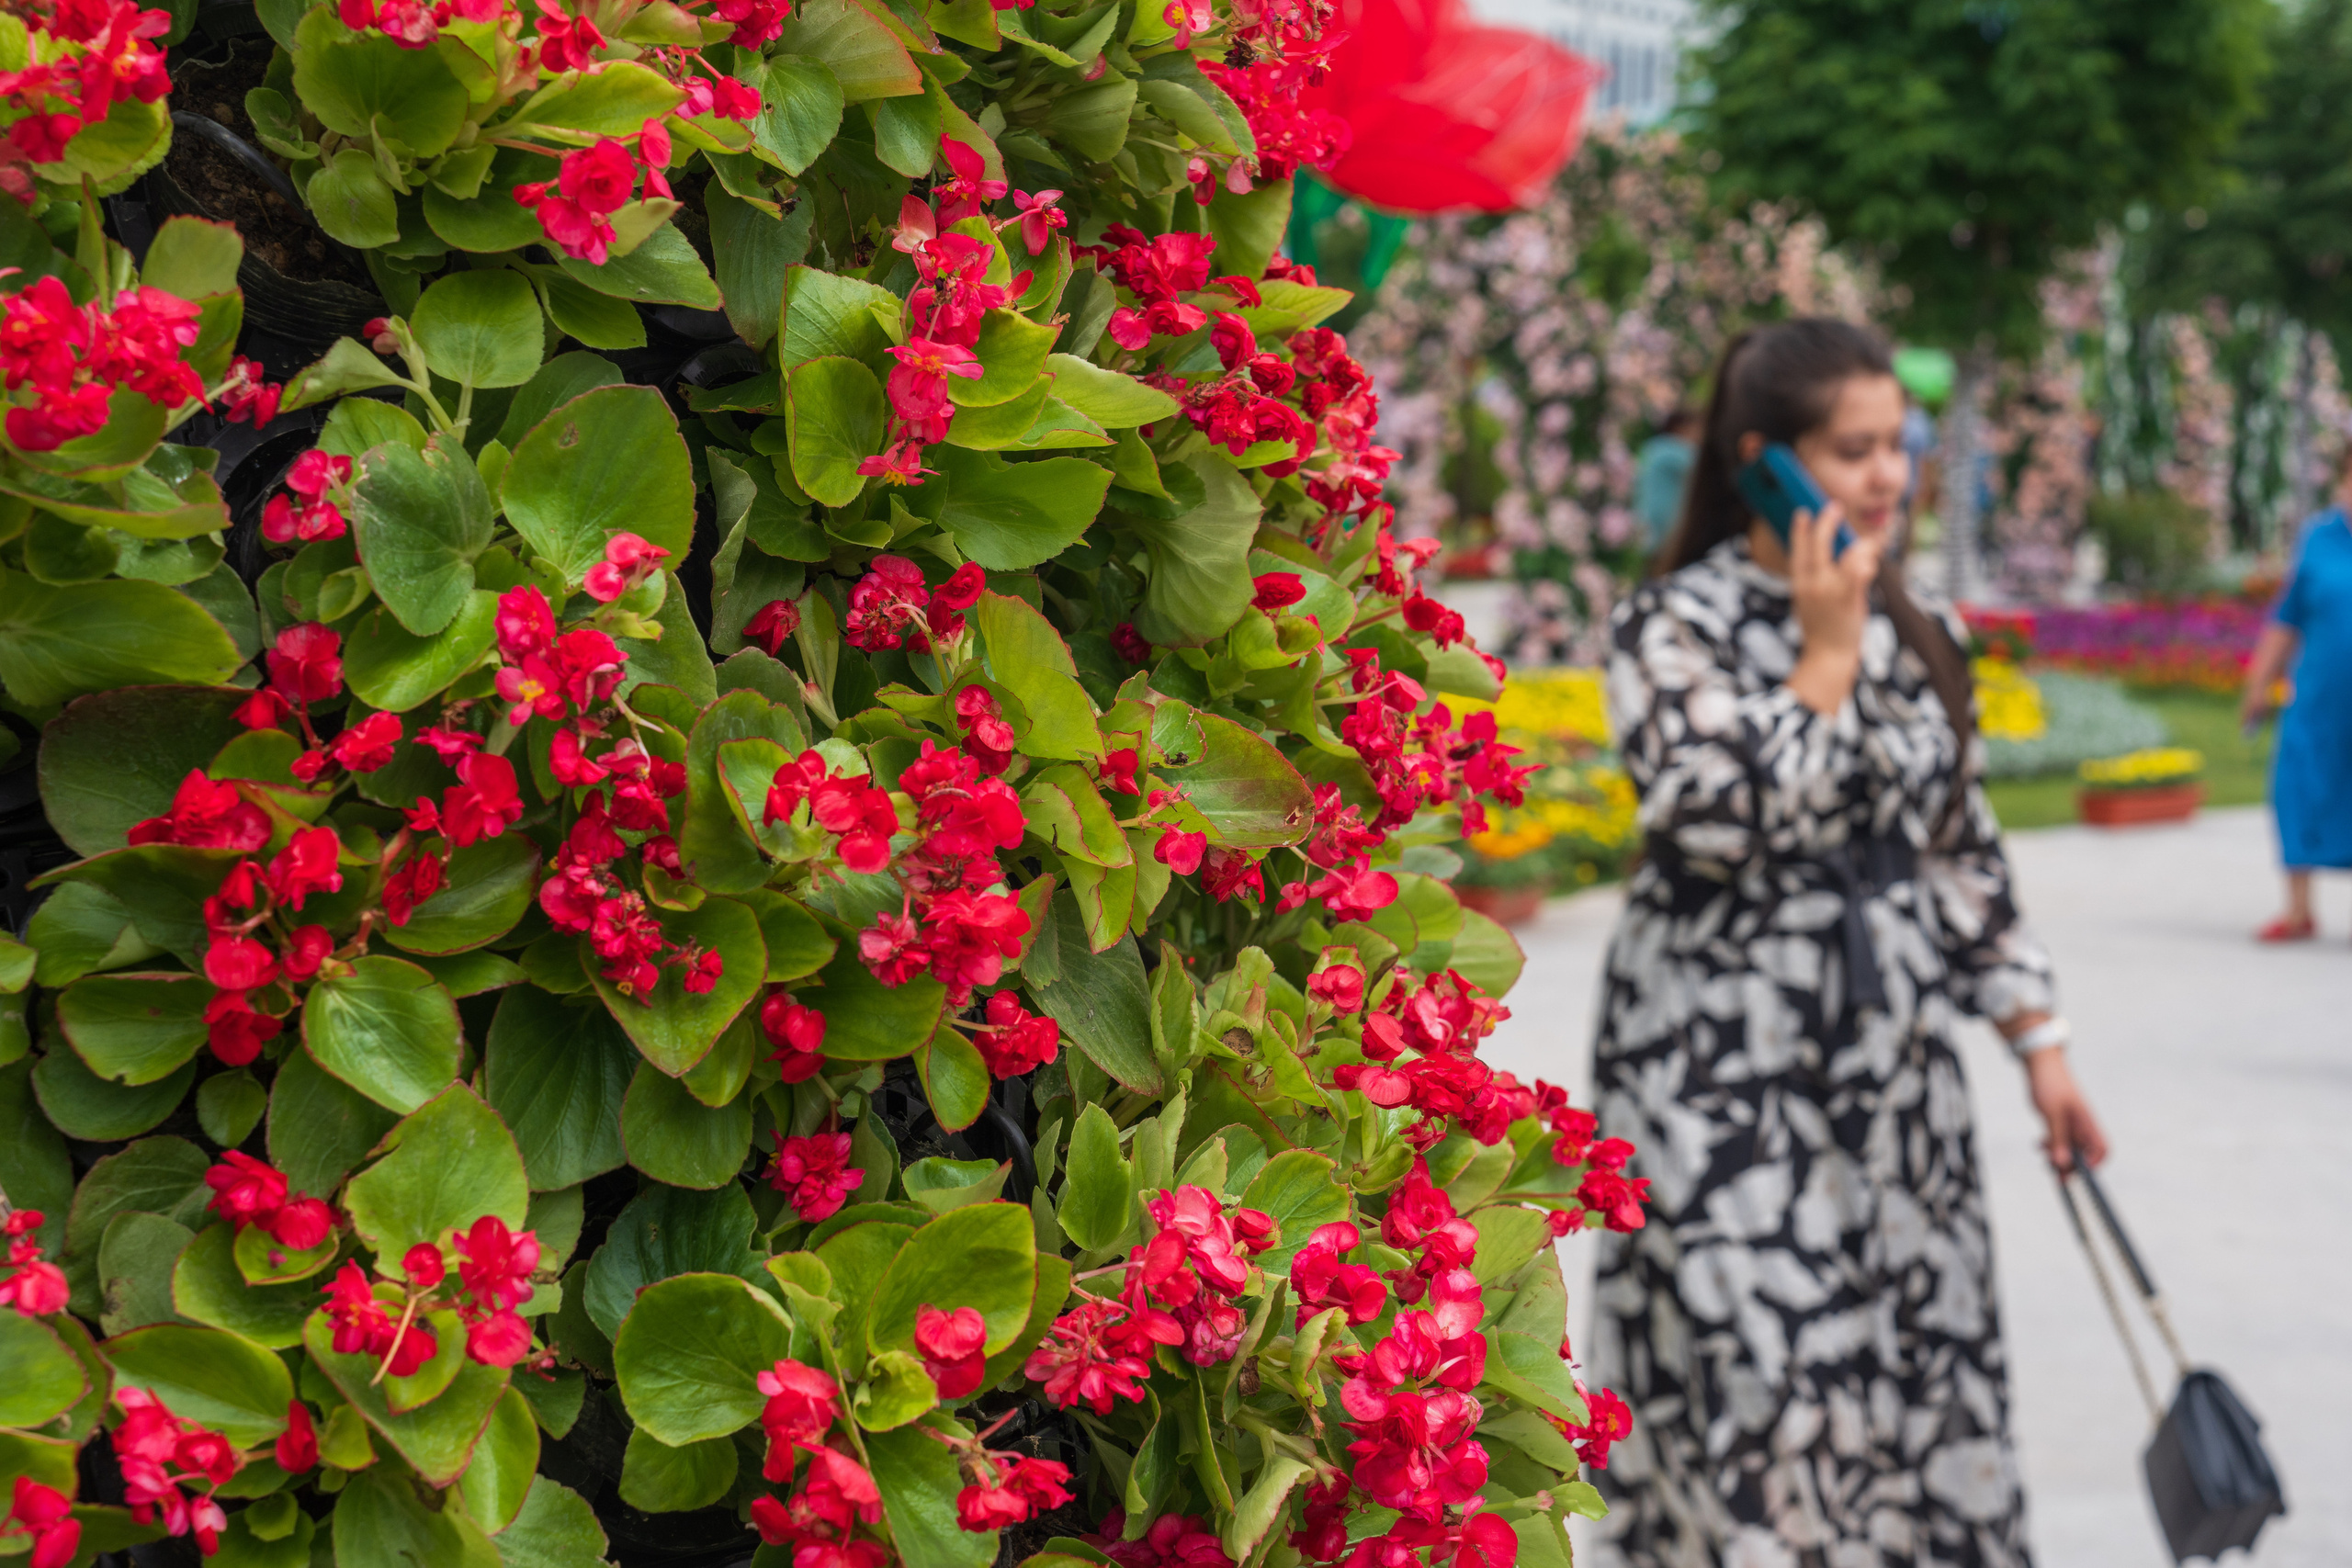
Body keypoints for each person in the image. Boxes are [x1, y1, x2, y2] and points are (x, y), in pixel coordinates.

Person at [1588, 319, 2107, 1567]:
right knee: (1761, 1389)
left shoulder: (1923, 629)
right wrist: (1823, 662)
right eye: (1853, 449)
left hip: (1890, 1081)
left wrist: (2040, 1039)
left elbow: (1959, 848)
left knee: (1911, 1374)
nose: (1888, 476)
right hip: (1715, 1074)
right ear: (1765, 459)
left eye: (1899, 446)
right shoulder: (1676, 623)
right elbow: (1703, 815)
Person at [2240, 461, 2352, 940]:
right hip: (2321, 697)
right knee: (2299, 787)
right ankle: (2299, 911)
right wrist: (2260, 682)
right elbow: (2287, 616)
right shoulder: (2319, 537)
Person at [1634, 407, 1701, 553]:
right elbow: (1703, 465)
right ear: (1681, 428)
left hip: (1650, 533)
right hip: (1663, 537)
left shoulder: (1653, 447)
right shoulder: (1669, 449)